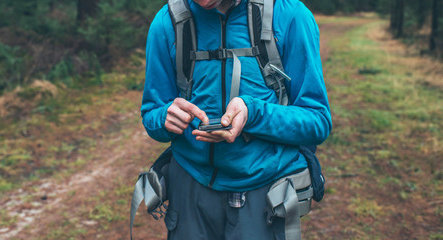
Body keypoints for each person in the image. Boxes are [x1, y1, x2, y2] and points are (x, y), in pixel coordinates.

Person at [140, 0, 332, 238]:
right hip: (190, 190)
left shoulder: (289, 16)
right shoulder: (169, 21)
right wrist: (164, 118)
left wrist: (253, 113)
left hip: (264, 192)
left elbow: (317, 120)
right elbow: (151, 114)